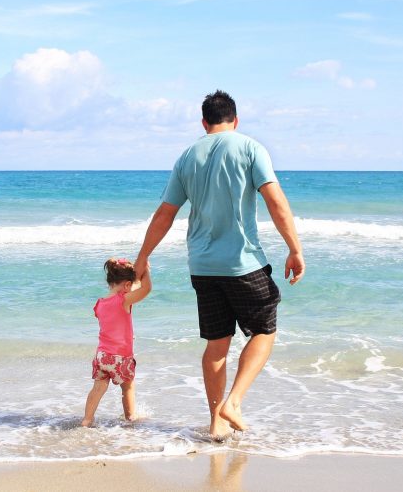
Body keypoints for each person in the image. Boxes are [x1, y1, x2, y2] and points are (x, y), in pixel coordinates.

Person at [134, 89, 305, 439]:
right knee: (264, 330)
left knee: (217, 344)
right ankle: (234, 402)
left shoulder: (187, 156)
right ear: (235, 120)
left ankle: (216, 423)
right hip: (242, 263)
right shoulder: (249, 147)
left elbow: (166, 213)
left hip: (202, 265)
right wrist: (294, 248)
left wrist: (143, 256)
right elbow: (275, 201)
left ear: (204, 122)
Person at [81, 257, 152, 427]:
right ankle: (130, 418)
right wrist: (146, 270)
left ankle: (87, 420)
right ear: (127, 285)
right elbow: (146, 289)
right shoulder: (124, 301)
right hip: (121, 357)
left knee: (98, 388)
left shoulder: (99, 304)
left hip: (102, 356)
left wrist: (134, 277)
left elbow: (129, 288)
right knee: (127, 387)